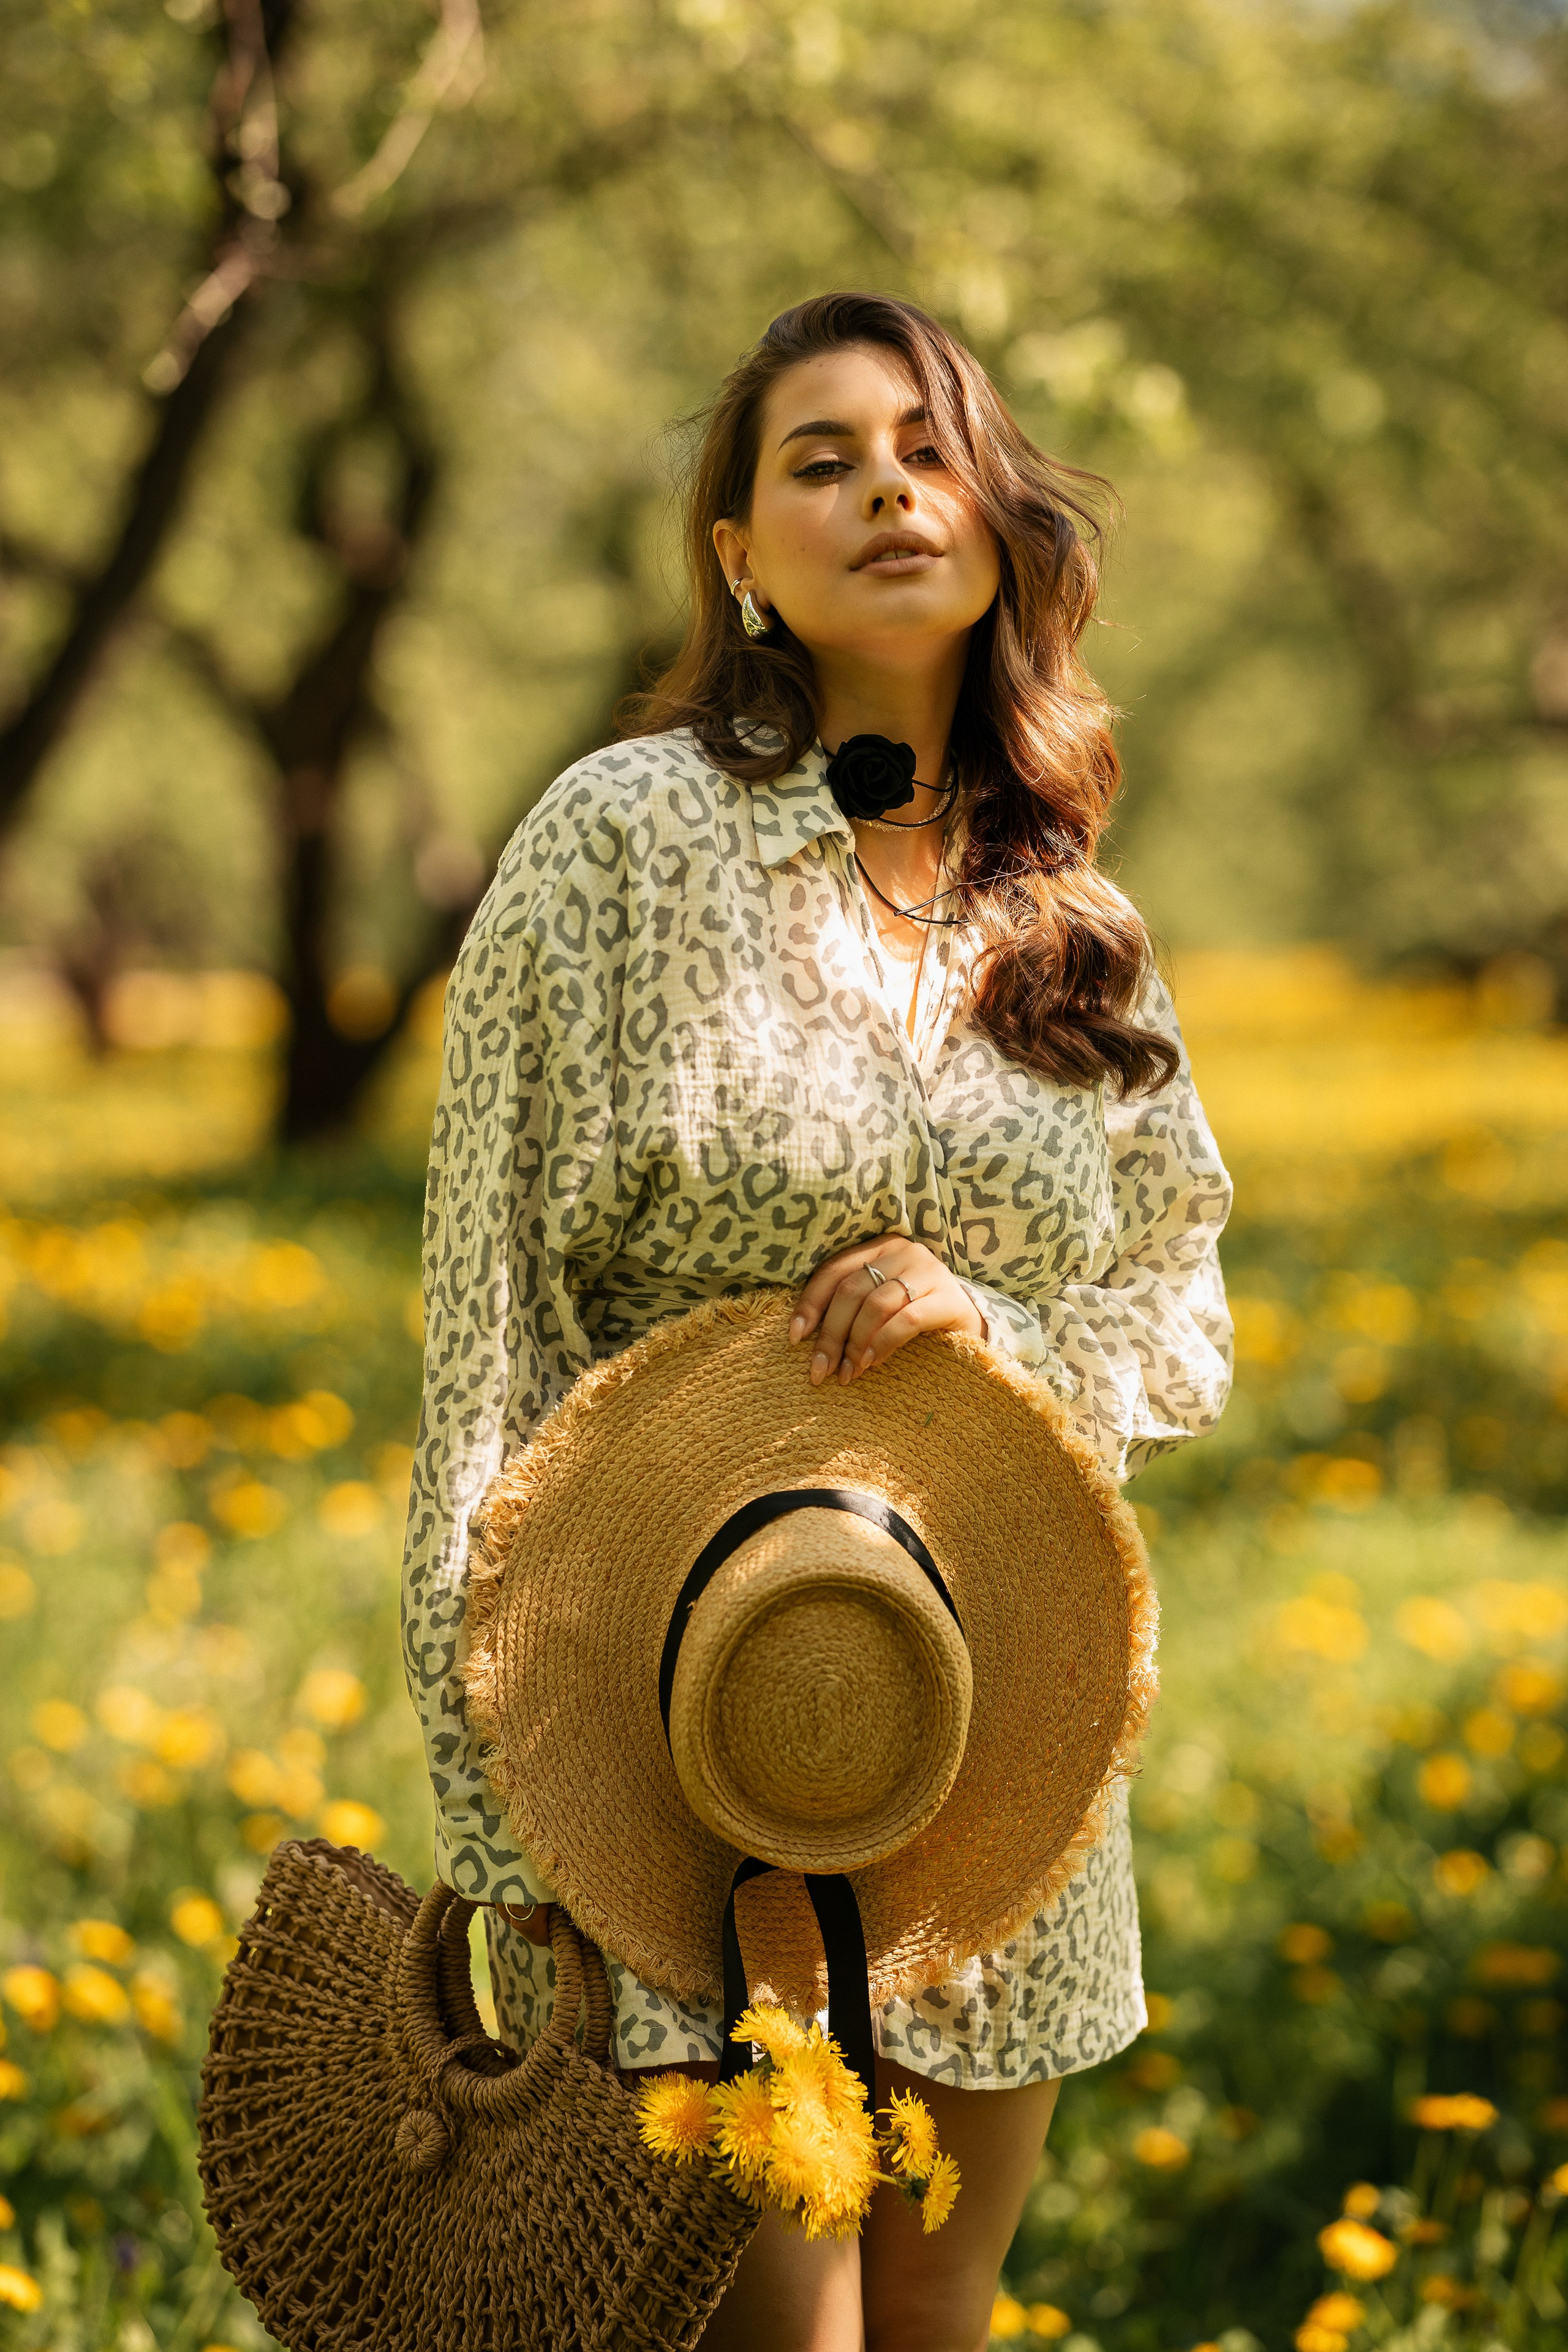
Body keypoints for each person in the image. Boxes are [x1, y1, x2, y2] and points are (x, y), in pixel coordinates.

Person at [402, 290, 1234, 2352]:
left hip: (993, 1727)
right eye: (820, 459)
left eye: (927, 450)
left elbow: (1182, 1289)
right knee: (785, 2330)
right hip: (668, 1728)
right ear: (736, 555)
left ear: (997, 515)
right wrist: (495, 1795)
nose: (885, 490)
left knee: (939, 2321)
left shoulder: (1070, 913)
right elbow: (485, 1321)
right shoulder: (618, 843)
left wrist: (1014, 1330)